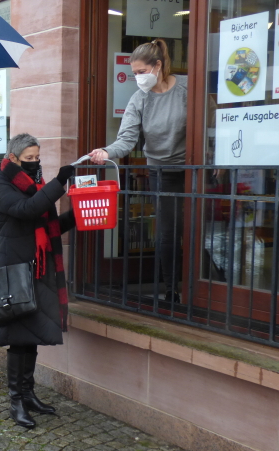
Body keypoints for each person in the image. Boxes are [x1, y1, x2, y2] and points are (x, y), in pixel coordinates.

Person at [0, 133, 76, 429]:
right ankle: (15, 401)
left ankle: (29, 394)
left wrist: (75, 214)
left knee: (32, 337)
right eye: (29, 159)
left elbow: (47, 223)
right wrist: (59, 183)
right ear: (12, 159)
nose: (35, 163)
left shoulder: (35, 186)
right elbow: (27, 210)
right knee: (17, 339)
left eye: (38, 158)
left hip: (37, 269)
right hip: (13, 271)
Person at [88, 38, 187, 303]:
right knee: (168, 231)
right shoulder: (139, 98)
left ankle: (202, 286)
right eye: (134, 74)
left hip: (192, 169)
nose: (138, 78)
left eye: (142, 72)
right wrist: (106, 152)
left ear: (158, 65)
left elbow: (209, 124)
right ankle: (171, 289)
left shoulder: (187, 88)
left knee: (196, 227)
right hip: (161, 171)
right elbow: (127, 139)